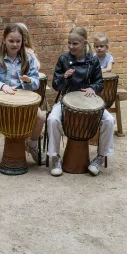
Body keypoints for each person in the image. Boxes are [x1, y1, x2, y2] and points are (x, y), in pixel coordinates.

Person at [47, 27, 115, 177]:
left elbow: (99, 83)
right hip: (66, 101)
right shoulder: (64, 59)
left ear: (84, 43)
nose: (71, 46)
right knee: (52, 119)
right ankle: (55, 157)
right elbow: (55, 85)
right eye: (69, 43)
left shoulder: (93, 60)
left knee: (109, 120)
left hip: (88, 102)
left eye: (75, 43)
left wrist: (92, 88)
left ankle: (100, 158)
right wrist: (64, 77)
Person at [0, 24, 44, 168]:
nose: (15, 44)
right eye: (11, 41)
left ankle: (32, 145)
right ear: (4, 40)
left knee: (40, 117)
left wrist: (29, 81)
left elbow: (36, 83)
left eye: (18, 41)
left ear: (22, 41)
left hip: (23, 100)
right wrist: (2, 86)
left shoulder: (29, 58)